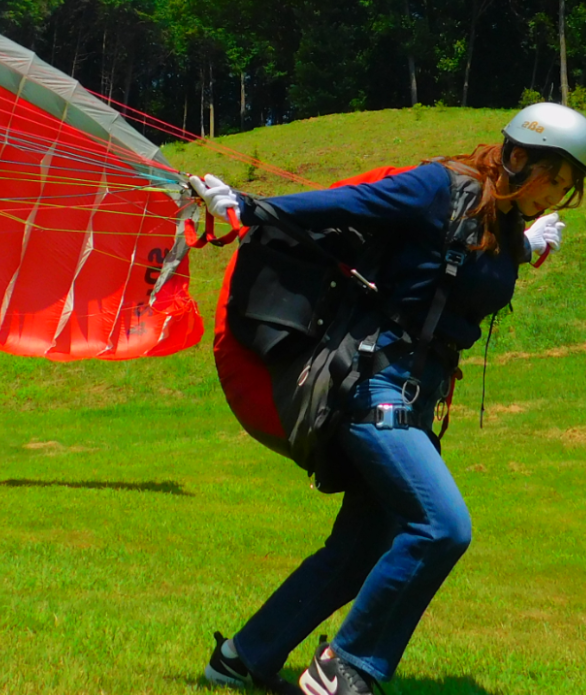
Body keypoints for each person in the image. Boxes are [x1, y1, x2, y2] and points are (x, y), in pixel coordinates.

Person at [188, 102, 586, 695]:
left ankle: (242, 659)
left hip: (416, 399)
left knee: (360, 548)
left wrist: (524, 247)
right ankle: (346, 671)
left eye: (567, 190)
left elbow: (459, 272)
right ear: (517, 155)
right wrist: (248, 208)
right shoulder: (439, 187)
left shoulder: (496, 224)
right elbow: (348, 205)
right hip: (373, 388)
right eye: (552, 180)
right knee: (441, 527)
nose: (553, 197)